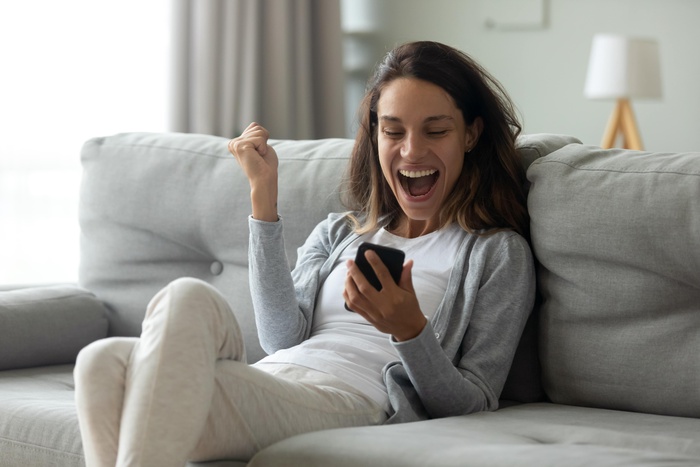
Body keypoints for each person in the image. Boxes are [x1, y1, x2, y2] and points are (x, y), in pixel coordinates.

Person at [74, 40, 535, 466]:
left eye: (435, 131)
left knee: (176, 312)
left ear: (471, 135)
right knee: (102, 360)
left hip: (348, 402)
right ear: (375, 137)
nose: (411, 150)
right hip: (276, 378)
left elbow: (474, 401)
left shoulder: (496, 254)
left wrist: (409, 329)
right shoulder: (341, 232)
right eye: (393, 131)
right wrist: (263, 197)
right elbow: (279, 337)